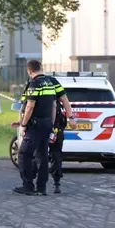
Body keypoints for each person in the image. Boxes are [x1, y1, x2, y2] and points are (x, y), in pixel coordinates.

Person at [11, 60, 57, 196]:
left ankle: (28, 185)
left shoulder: (34, 84)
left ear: (29, 71)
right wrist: (52, 124)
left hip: (35, 125)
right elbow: (54, 106)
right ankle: (41, 187)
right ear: (41, 68)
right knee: (42, 156)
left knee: (24, 153)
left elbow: (30, 106)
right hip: (47, 123)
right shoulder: (49, 83)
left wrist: (23, 125)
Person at [45, 75, 77, 193]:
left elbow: (64, 100)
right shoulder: (48, 81)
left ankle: (55, 182)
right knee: (49, 154)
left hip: (53, 125)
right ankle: (49, 182)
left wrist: (71, 117)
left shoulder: (49, 81)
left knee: (54, 154)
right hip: (47, 123)